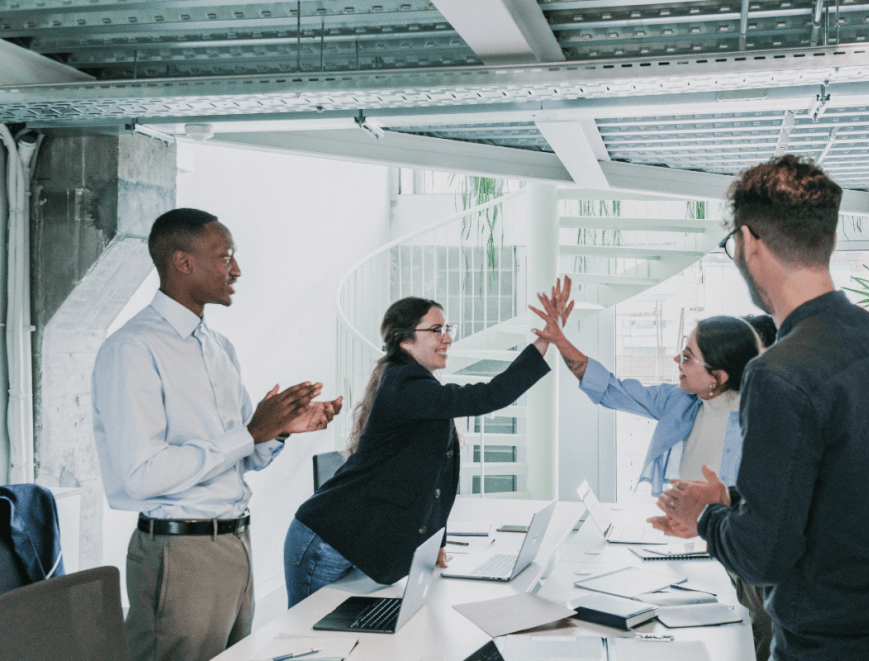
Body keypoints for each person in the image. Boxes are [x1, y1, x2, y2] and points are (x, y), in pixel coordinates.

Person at [650, 155, 869, 661]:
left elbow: (763, 557)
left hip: (830, 650)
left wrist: (707, 515)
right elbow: (860, 501)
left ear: (749, 242)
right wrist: (740, 499)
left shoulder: (781, 372)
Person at [92, 208, 344, 661]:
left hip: (235, 544)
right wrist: (252, 431)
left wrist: (280, 431)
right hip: (181, 553)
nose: (237, 270)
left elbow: (244, 455)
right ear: (183, 263)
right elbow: (142, 475)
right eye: (225, 257)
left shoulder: (218, 347)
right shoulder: (133, 348)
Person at [536, 277, 773, 661]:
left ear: (718, 376)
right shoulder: (679, 402)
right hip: (716, 545)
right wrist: (560, 341)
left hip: (754, 557)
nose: (676, 363)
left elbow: (772, 503)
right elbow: (609, 388)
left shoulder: (761, 418)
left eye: (686, 357)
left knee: (765, 638)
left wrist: (708, 518)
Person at [284, 291, 561, 605]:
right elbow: (487, 396)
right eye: (436, 330)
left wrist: (433, 539)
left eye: (447, 329)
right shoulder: (407, 386)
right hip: (325, 540)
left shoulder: (416, 385)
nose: (447, 339)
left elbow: (432, 478)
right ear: (405, 341)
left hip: (356, 538)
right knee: (306, 647)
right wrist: (543, 344)